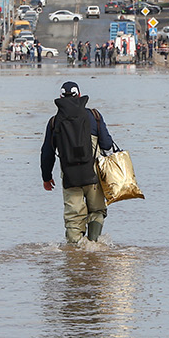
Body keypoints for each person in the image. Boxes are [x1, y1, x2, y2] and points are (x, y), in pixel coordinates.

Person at [41, 80, 117, 244]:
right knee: (96, 210)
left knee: (73, 217)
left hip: (70, 177)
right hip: (94, 175)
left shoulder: (54, 122)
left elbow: (47, 153)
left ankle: (75, 255)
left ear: (60, 97)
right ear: (80, 95)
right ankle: (93, 246)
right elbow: (106, 144)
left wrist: (46, 177)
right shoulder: (94, 116)